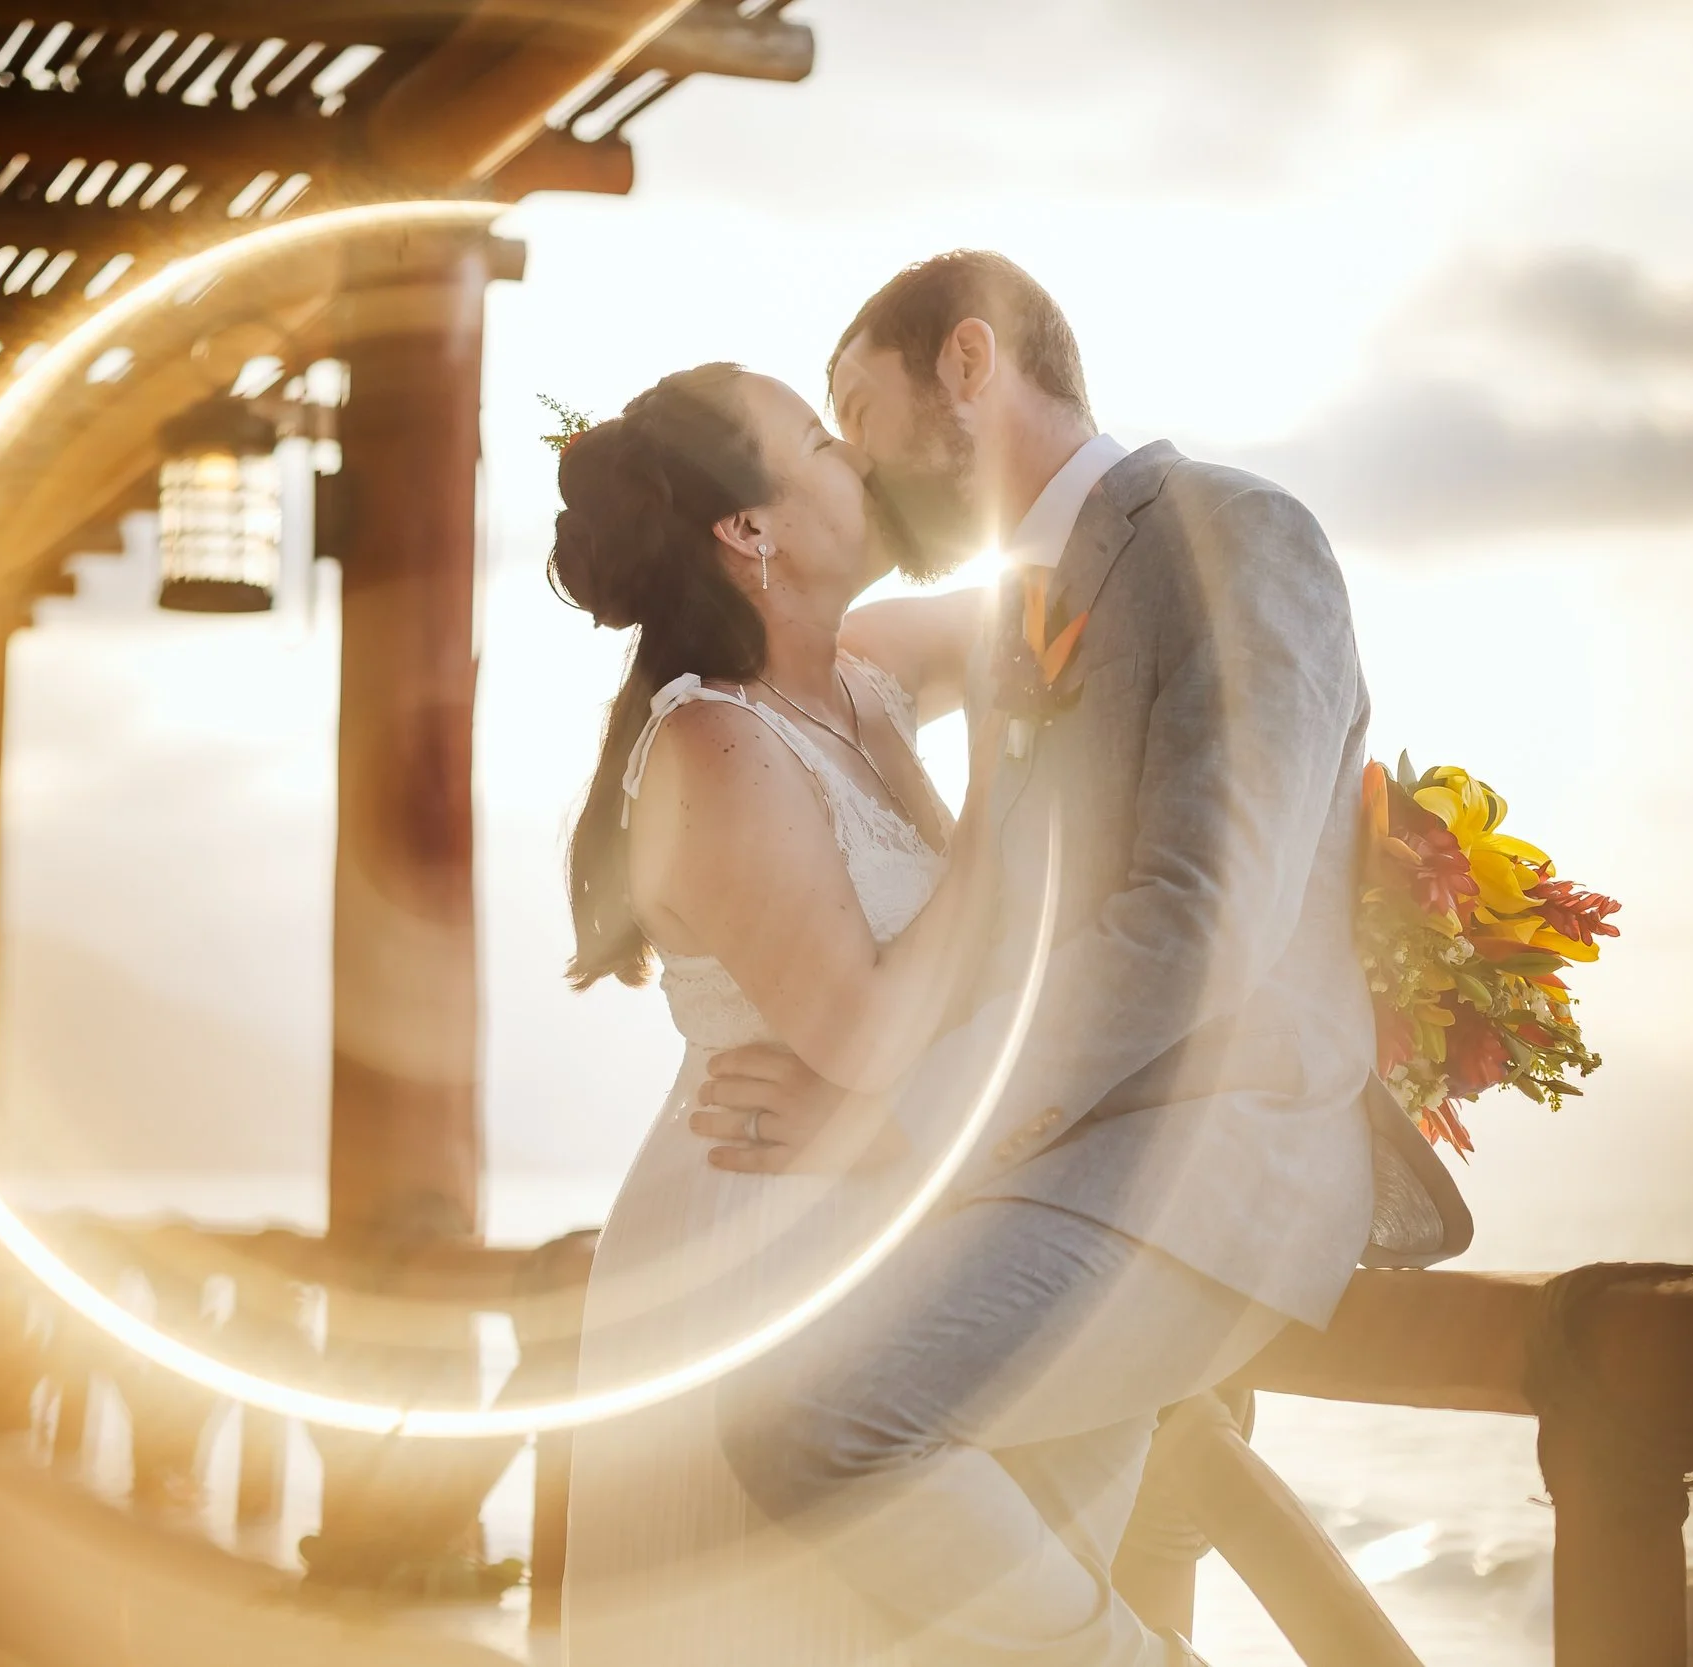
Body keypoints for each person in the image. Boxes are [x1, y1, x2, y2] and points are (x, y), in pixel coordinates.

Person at [691, 251, 1380, 1666]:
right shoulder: (1016, 617)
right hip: (1059, 1180)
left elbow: (1198, 929)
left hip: (1206, 1171)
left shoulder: (1237, 533)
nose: (857, 460)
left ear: (966, 362)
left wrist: (895, 1112)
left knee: (803, 1412)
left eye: (853, 407)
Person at [548, 361, 1004, 1665]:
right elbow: (863, 1035)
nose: (856, 451)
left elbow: (1056, 617)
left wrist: (981, 444)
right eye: (820, 435)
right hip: (759, 1237)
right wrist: (1005, 823)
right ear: (747, 532)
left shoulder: (857, 677)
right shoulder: (718, 747)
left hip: (864, 1195)